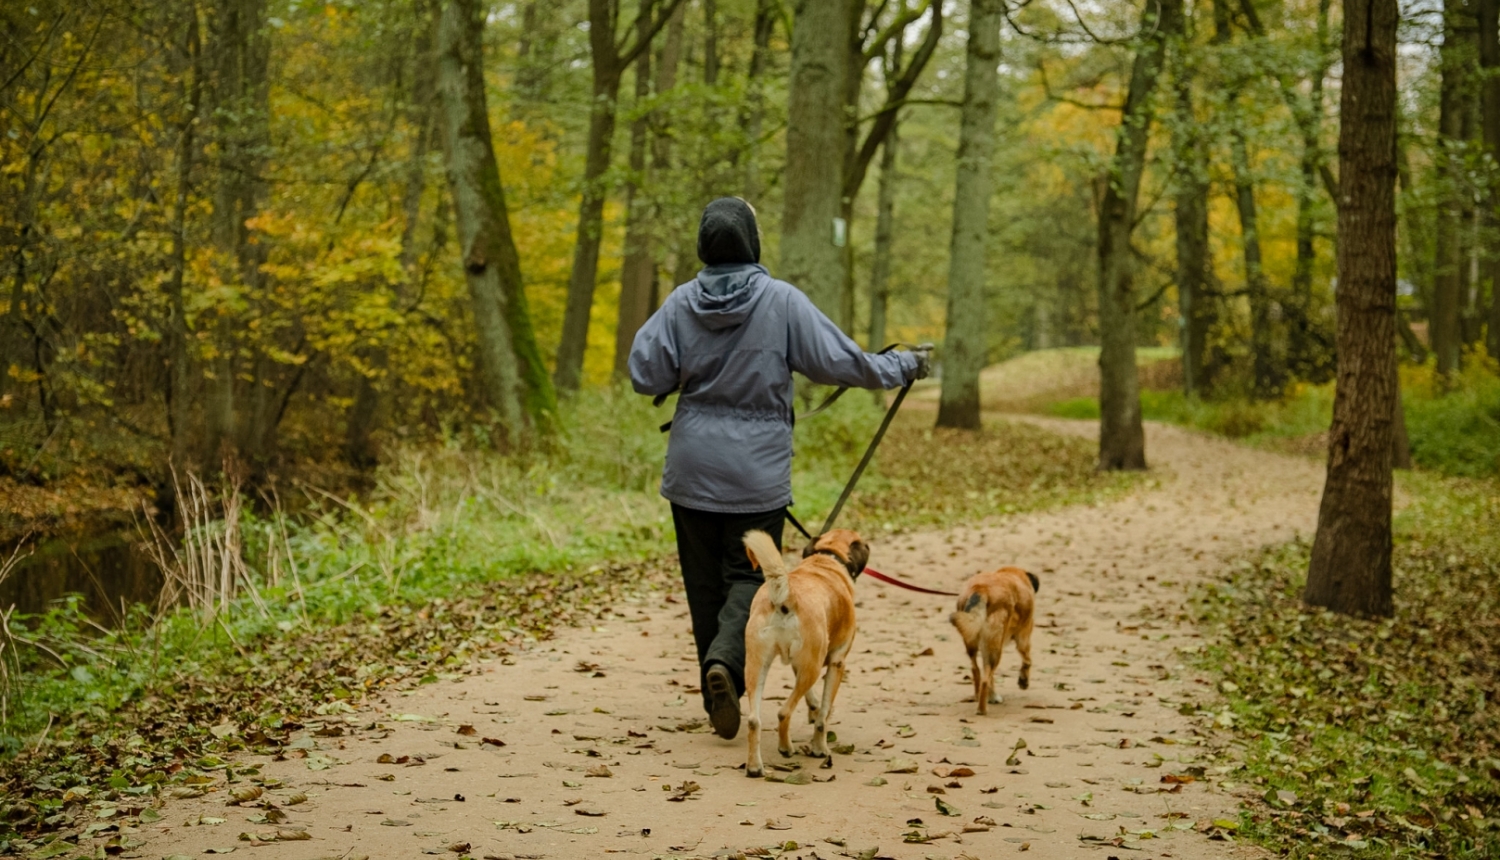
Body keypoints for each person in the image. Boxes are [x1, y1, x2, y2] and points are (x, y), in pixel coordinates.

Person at [628, 197, 930, 739]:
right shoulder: (782, 301)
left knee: (704, 587)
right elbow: (845, 363)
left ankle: (717, 676)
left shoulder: (678, 304)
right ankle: (726, 669)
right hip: (756, 474)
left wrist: (688, 368)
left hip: (693, 470)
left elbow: (644, 373)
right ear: (753, 243)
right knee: (749, 576)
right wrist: (904, 364)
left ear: (704, 246)